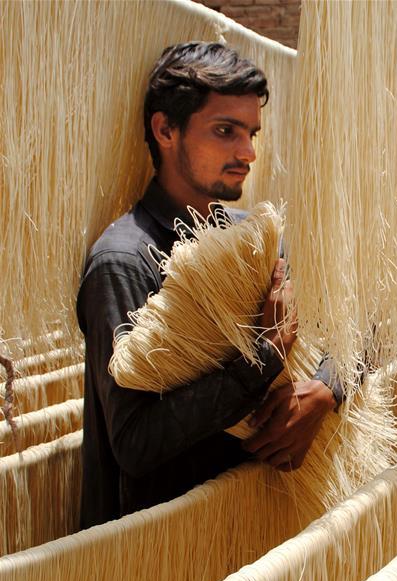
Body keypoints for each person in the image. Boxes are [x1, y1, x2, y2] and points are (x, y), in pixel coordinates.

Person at [76, 42, 342, 530]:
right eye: (226, 131)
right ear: (165, 130)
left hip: (253, 535)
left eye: (251, 133)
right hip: (157, 555)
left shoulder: (254, 239)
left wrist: (325, 391)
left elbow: (343, 331)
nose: (248, 153)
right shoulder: (125, 261)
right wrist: (264, 358)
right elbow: (136, 445)